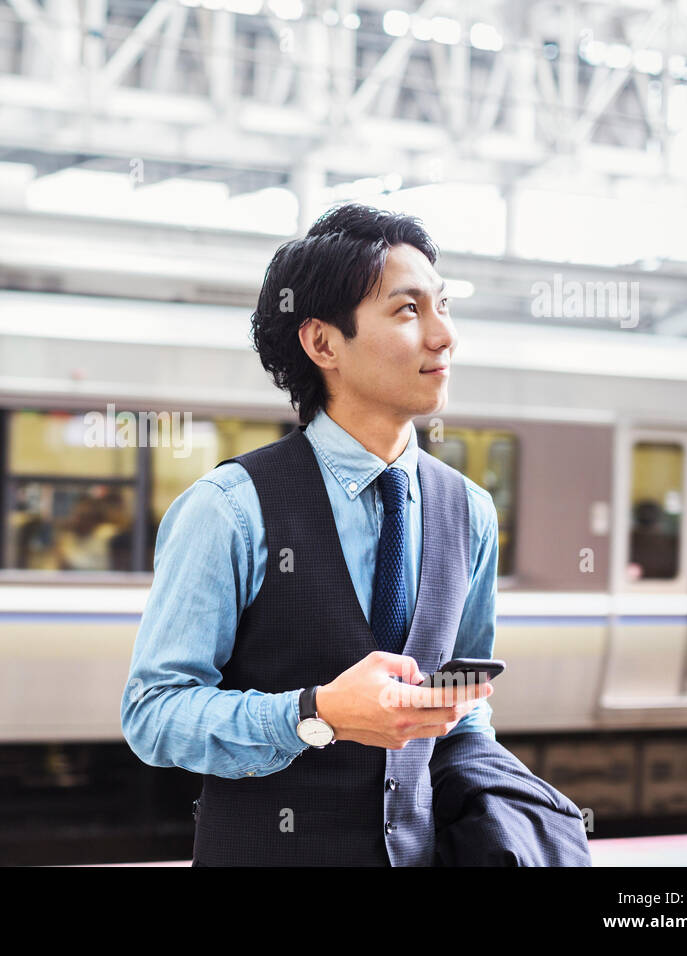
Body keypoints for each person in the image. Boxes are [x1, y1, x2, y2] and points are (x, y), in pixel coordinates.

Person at [121, 202, 584, 866]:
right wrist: (317, 713)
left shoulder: (469, 511)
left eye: (443, 306)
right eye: (407, 311)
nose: (443, 336)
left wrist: (504, 799)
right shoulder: (230, 509)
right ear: (323, 343)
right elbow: (154, 715)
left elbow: (463, 706)